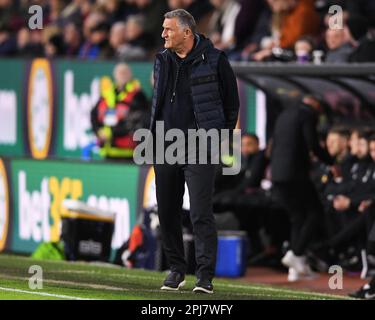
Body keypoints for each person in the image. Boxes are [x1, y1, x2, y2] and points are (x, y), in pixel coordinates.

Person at [150, 9, 239, 293]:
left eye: (168, 29)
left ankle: (204, 277)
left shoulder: (216, 59)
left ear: (186, 32)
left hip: (201, 146)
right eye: (163, 29)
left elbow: (231, 104)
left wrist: (219, 140)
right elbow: (159, 103)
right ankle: (176, 269)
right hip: (166, 144)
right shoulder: (162, 60)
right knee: (167, 210)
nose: (163, 34)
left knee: (201, 212)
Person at [270, 95, 334, 281]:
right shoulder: (306, 114)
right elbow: (312, 144)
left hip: (278, 174)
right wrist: (331, 162)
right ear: (314, 101)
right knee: (316, 212)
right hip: (295, 174)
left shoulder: (284, 114)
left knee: (297, 217)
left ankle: (296, 269)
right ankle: (295, 254)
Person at [90, 63, 149, 160]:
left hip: (129, 154)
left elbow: (138, 121)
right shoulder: (107, 93)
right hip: (108, 152)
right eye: (120, 72)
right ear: (114, 74)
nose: (122, 75)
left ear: (130, 74)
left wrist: (111, 132)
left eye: (125, 72)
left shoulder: (137, 95)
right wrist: (99, 131)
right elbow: (94, 115)